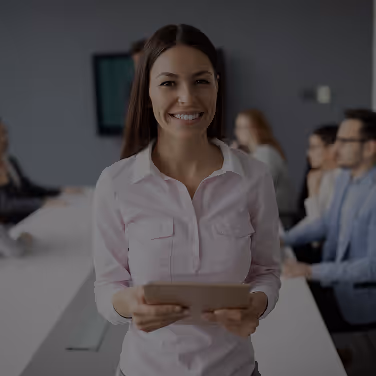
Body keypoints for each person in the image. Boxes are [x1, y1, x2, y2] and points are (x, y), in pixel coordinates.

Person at [93, 24, 281, 376]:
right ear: (147, 91)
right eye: (168, 83)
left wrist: (257, 304)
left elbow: (266, 271)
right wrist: (128, 303)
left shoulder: (254, 177)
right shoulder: (116, 182)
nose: (187, 98)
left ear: (217, 85)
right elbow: (108, 286)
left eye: (201, 81)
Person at [282, 109, 376, 333]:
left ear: (370, 147)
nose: (335, 149)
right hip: (332, 286)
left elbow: (372, 267)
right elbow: (327, 223)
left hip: (361, 304)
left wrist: (311, 271)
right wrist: (283, 240)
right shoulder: (345, 176)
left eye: (344, 141)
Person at [0, 119, 80, 223]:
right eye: (1, 135)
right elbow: (5, 205)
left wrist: (60, 191)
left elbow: (28, 188)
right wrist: (41, 203)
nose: (5, 139)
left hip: (24, 222)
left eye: (6, 133)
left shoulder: (11, 162)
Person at [233, 109, 295, 215]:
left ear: (255, 129)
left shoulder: (266, 153)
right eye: (237, 127)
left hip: (276, 218)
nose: (236, 132)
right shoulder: (254, 154)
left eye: (241, 128)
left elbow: (256, 188)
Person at [304, 124, 339, 222]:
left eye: (313, 147)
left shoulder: (339, 180)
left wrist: (313, 191)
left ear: (332, 149)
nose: (308, 154)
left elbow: (317, 225)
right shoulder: (325, 176)